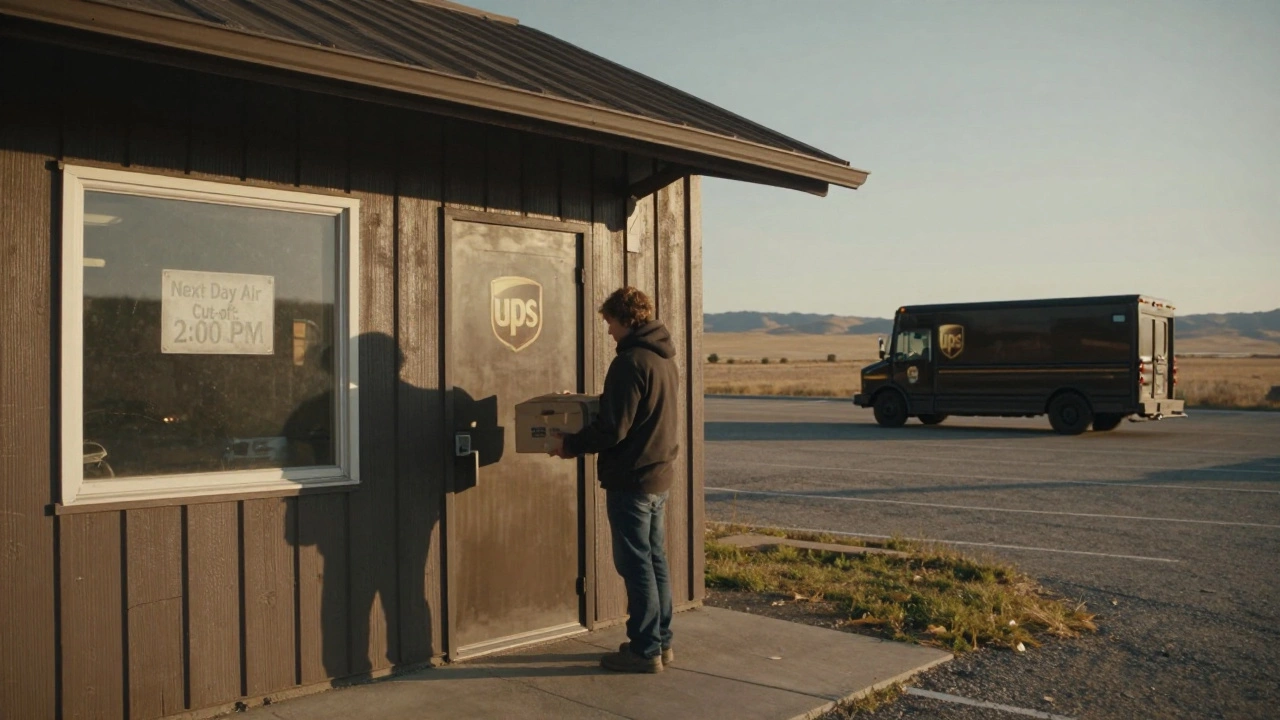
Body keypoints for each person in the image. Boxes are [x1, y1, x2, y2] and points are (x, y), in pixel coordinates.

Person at [550, 286, 680, 674]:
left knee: (635, 565)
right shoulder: (663, 361)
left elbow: (614, 429)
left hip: (631, 481)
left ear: (626, 320)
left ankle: (643, 651)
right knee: (655, 561)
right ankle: (661, 641)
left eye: (609, 323)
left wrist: (569, 444)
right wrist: (590, 403)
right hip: (658, 478)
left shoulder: (629, 362)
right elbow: (633, 413)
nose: (608, 331)